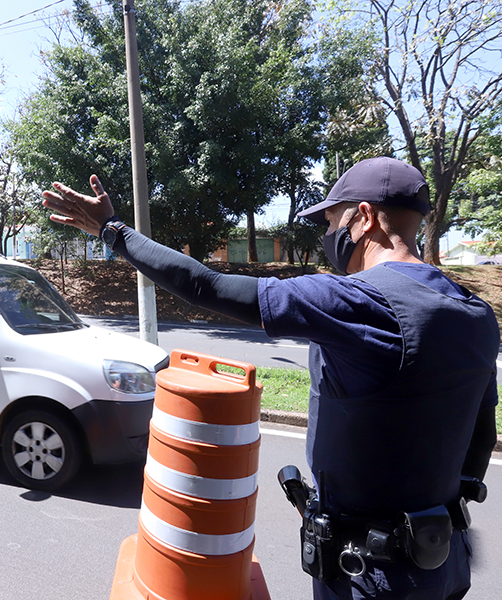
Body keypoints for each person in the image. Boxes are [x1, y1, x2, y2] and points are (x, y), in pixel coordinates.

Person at [42, 157, 499, 600]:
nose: (327, 235)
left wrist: (112, 230)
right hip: (446, 561)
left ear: (365, 219)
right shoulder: (475, 313)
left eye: (331, 222)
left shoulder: (354, 301)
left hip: (370, 574)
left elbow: (206, 285)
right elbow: (482, 438)